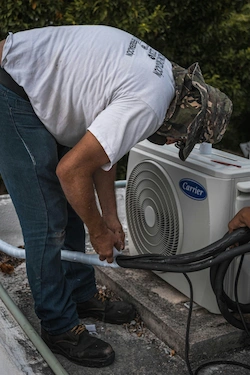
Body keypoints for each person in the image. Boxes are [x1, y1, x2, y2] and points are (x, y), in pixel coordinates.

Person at [0, 25, 232, 367]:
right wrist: (97, 231)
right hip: (12, 87)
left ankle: (80, 295)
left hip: (35, 81)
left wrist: (110, 216)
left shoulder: (164, 78)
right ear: (184, 118)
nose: (170, 143)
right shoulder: (149, 104)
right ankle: (58, 325)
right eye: (180, 138)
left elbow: (103, 154)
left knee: (72, 206)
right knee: (48, 222)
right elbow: (71, 171)